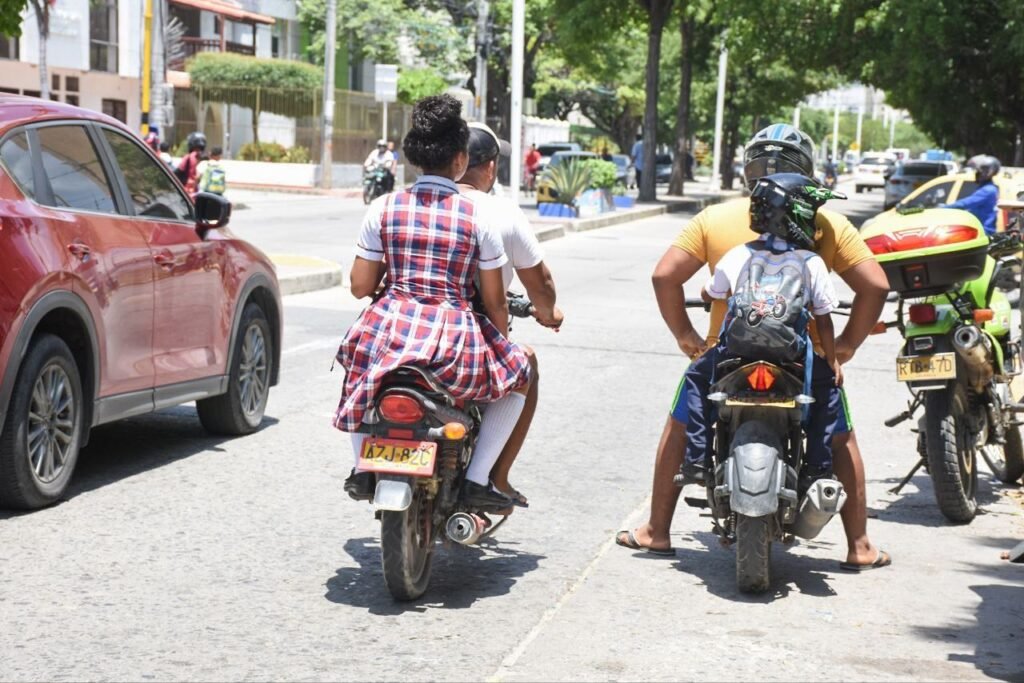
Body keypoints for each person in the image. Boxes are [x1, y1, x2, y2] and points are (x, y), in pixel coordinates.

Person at [616, 123, 892, 572]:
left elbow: (665, 276)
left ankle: (657, 530)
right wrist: (842, 348)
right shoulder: (825, 224)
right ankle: (858, 544)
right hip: (799, 356)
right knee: (840, 432)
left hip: (727, 355)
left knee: (680, 421)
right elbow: (874, 286)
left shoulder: (721, 219)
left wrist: (689, 339)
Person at [337, 95, 532, 511]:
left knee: (357, 369)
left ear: (413, 157)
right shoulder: (478, 217)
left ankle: (361, 465)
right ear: (461, 160)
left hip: (387, 329)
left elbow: (359, 286)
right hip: (454, 338)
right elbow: (495, 302)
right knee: (520, 374)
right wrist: (500, 344)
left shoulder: (383, 207)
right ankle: (479, 479)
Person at [681, 174, 845, 496]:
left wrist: (707, 293)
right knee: (828, 392)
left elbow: (712, 292)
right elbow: (823, 319)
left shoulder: (737, 254)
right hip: (790, 355)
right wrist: (833, 360)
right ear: (797, 215)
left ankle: (697, 460)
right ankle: (817, 468)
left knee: (696, 379)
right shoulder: (811, 262)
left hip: (736, 353)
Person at [458, 121, 565, 507]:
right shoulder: (498, 213)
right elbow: (539, 283)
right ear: (489, 167)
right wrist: (548, 312)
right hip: (471, 332)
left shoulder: (415, 205)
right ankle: (490, 476)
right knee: (526, 364)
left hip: (403, 325)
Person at [941, 154, 1001, 235]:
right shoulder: (987, 188)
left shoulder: (988, 190)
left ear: (988, 172)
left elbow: (965, 204)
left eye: (979, 171)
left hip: (984, 232)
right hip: (980, 230)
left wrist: (943, 208)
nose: (977, 174)